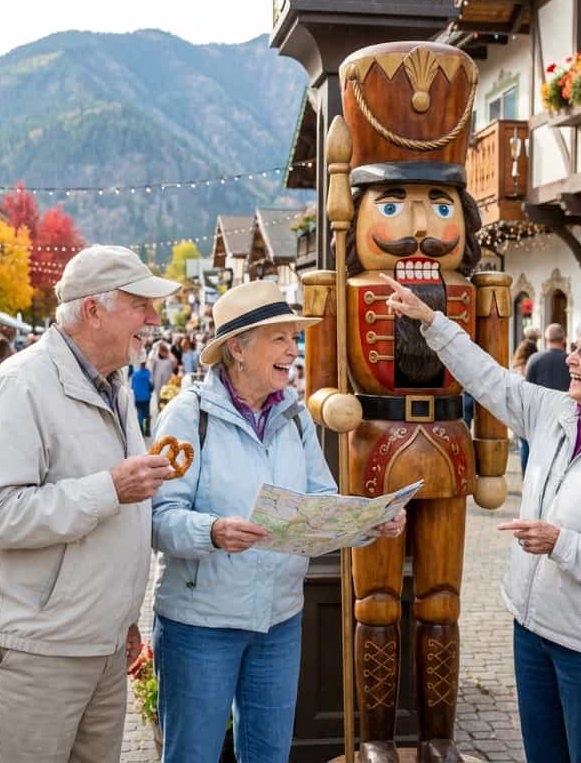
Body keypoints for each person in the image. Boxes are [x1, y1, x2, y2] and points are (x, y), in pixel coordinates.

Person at [385, 277, 581, 763]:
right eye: (575, 347)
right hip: (533, 629)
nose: (570, 359)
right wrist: (431, 322)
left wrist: (560, 542)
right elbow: (489, 379)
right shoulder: (556, 411)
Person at [150, 280, 404, 763]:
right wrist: (212, 531)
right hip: (201, 625)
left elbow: (321, 500)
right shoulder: (188, 415)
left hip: (280, 619)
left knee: (268, 756)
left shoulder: (294, 417)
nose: (294, 349)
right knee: (192, 756)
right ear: (237, 349)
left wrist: (370, 523)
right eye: (281, 338)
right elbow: (157, 520)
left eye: (294, 337)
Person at [0, 245, 181, 763]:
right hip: (34, 651)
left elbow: (118, 520)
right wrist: (109, 487)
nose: (153, 320)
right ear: (93, 310)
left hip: (100, 645)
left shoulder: (116, 386)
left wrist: (123, 617)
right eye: (140, 305)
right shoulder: (18, 387)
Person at [511, 338, 537, 474]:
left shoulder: (515, 367)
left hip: (518, 409)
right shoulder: (533, 366)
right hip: (531, 409)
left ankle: (524, 473)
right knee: (531, 444)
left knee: (523, 444)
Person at [525, 323, 571, 392]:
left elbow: (527, 389)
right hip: (565, 401)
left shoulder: (534, 359)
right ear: (564, 338)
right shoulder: (571, 360)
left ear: (546, 339)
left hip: (540, 402)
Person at [130, 363, 153, 437]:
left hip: (137, 397)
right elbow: (151, 385)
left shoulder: (135, 374)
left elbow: (132, 387)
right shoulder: (148, 374)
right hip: (146, 397)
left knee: (140, 413)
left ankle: (141, 430)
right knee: (146, 414)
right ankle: (147, 430)